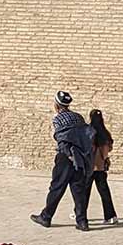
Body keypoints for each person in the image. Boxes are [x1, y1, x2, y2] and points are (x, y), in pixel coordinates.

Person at [30, 91, 93, 231]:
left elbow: (62, 138)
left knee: (57, 187)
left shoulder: (58, 119)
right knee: (78, 190)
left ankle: (46, 217)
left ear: (56, 105)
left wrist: (68, 155)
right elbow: (86, 136)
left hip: (65, 158)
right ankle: (82, 222)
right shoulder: (78, 117)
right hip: (80, 157)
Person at [86, 109, 118, 226]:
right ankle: (111, 216)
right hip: (100, 168)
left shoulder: (88, 131)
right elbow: (107, 151)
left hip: (89, 167)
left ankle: (80, 214)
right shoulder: (105, 133)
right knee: (104, 192)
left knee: (84, 192)